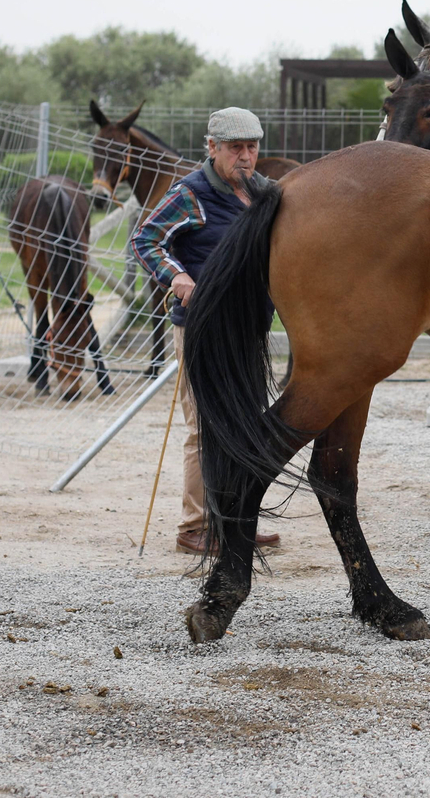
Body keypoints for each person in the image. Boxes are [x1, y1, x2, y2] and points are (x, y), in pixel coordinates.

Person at [132, 107, 283, 555]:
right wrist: (176, 276)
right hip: (202, 329)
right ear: (212, 147)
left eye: (252, 147)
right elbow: (145, 239)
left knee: (247, 423)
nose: (245, 156)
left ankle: (235, 521)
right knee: (205, 428)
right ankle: (194, 527)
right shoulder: (190, 193)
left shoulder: (264, 192)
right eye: (235, 147)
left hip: (249, 327)